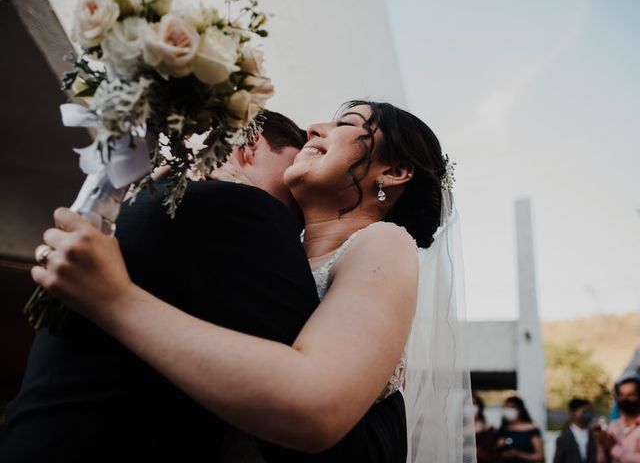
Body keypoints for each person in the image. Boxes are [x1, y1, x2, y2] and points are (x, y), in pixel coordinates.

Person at [20, 100, 473, 462]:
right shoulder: (275, 254)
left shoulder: (384, 242)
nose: (315, 129)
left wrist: (113, 299)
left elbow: (316, 405)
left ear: (393, 173)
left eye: (347, 123)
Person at [0, 110, 324, 462]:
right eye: (292, 168)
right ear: (249, 144)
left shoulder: (146, 202)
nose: (297, 203)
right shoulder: (248, 208)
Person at [594, 374, 640, 463]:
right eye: (622, 395)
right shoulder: (614, 426)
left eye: (631, 395)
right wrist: (601, 442)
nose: (625, 399)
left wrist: (614, 448)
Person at [496, 396, 545, 462]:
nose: (508, 410)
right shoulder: (503, 429)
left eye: (511, 407)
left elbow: (540, 457)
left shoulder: (532, 429)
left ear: (520, 409)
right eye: (506, 407)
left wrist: (517, 454)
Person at [553, 398, 597, 463]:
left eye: (588, 411)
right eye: (584, 412)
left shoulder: (594, 435)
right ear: (573, 413)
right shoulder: (564, 438)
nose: (587, 415)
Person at [474, 393, 498, 463]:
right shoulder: (457, 429)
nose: (470, 407)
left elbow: (490, 451)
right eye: (467, 405)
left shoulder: (488, 428)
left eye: (474, 403)